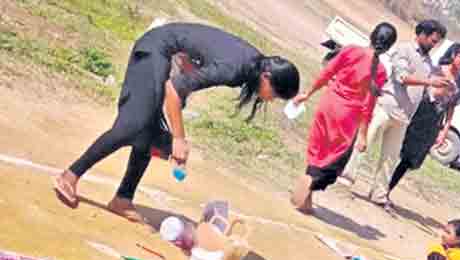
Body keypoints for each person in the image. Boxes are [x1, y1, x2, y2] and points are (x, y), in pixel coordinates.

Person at [55, 23, 300, 222]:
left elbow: (200, 59)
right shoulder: (236, 69)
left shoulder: (251, 66)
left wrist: (176, 108)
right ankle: (70, 176)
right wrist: (178, 139)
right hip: (155, 49)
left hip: (171, 58)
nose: (271, 99)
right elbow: (173, 89)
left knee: (149, 130)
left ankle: (122, 199)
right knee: (133, 125)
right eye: (275, 94)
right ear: (266, 77)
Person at [341, 20, 450, 205]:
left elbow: (427, 92)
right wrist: (430, 82)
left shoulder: (429, 64)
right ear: (421, 34)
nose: (434, 44)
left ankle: (378, 195)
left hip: (404, 117)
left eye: (437, 42)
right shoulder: (404, 49)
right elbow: (402, 77)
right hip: (386, 107)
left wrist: (441, 88)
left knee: (390, 159)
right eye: (433, 40)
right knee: (364, 144)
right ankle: (345, 180)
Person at [291, 23, 396, 213]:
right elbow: (368, 105)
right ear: (389, 47)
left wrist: (307, 93)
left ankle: (306, 199)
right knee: (335, 161)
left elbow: (327, 73)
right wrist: (362, 135)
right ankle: (311, 181)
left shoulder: (350, 50)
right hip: (347, 116)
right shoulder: (380, 71)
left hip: (328, 104)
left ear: (371, 36)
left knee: (319, 150)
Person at [385, 42, 460, 207]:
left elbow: (451, 107)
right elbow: (426, 92)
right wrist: (440, 88)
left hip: (434, 121)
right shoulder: (437, 70)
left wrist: (444, 130)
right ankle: (381, 186)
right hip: (420, 113)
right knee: (398, 150)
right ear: (454, 56)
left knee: (410, 159)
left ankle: (387, 189)